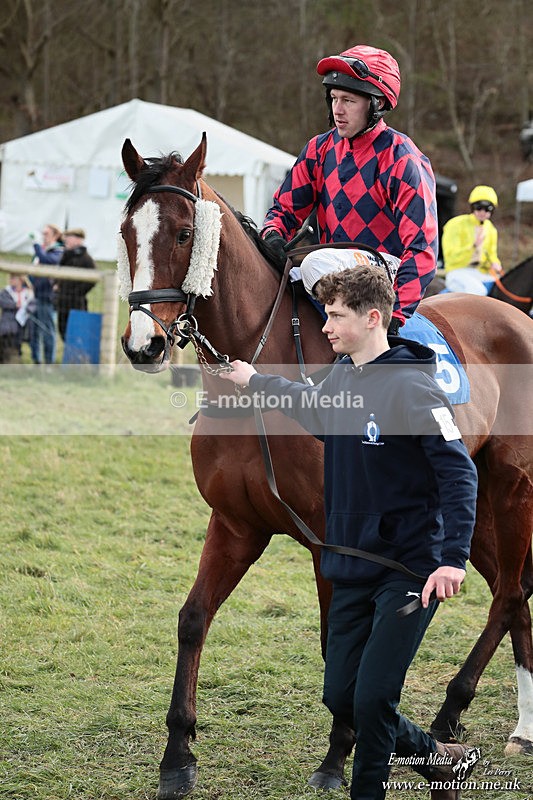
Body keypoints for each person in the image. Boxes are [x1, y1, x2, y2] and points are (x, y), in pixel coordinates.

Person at [220, 264, 479, 800]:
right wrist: (253, 382)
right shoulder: (341, 378)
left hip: (409, 572)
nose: (326, 327)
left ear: (373, 318)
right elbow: (311, 409)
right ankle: (438, 762)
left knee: (373, 701)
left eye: (335, 316)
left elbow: (458, 473)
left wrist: (453, 558)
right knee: (341, 697)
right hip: (349, 565)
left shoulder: (414, 387)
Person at [261, 44, 438, 335]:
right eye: (333, 98)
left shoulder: (402, 157)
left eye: (348, 100)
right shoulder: (319, 149)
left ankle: (356, 337)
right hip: (334, 270)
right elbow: (283, 210)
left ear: (377, 104)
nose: (338, 110)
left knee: (313, 263)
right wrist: (273, 236)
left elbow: (422, 248)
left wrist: (394, 317)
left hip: (384, 275)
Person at [442, 185, 502, 295]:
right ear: (472, 207)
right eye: (479, 207)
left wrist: (495, 263)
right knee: (478, 290)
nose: (483, 212)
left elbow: (492, 255)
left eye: (488, 208)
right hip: (456, 272)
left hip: (479, 273)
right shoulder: (455, 224)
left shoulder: (491, 229)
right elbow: (450, 255)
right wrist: (473, 246)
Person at [28, 223, 63, 364]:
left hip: (47, 298)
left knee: (47, 331)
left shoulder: (58, 251)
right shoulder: (42, 251)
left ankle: (49, 362)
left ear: (55, 235)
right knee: (34, 331)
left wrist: (36, 245)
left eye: (46, 234)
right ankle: (36, 361)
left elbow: (47, 260)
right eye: (42, 234)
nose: (43, 237)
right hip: (35, 296)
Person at [56, 228, 96, 340]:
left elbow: (93, 279)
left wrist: (77, 292)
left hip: (76, 303)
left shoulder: (86, 259)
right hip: (62, 301)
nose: (66, 240)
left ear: (79, 240)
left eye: (69, 238)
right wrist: (57, 284)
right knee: (62, 330)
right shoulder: (66, 255)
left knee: (75, 332)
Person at [0, 273, 33, 363]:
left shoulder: (28, 293)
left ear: (20, 280)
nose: (11, 280)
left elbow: (32, 306)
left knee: (17, 345)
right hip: (7, 326)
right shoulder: (6, 292)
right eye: (10, 278)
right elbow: (2, 302)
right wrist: (15, 305)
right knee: (5, 344)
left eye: (13, 278)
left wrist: (26, 308)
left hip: (22, 326)